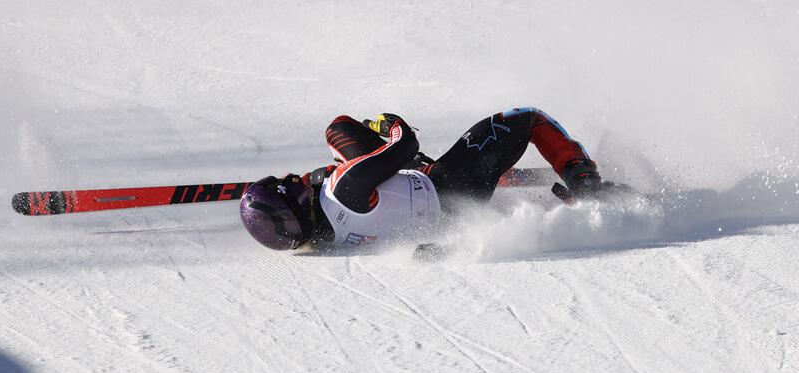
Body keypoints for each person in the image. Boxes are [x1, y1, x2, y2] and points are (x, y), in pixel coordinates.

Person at [240, 107, 619, 250]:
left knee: (363, 151)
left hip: (445, 220)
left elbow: (329, 188)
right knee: (526, 119)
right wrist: (388, 124)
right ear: (294, 192)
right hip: (451, 184)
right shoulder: (343, 187)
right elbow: (406, 144)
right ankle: (585, 182)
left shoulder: (320, 240)